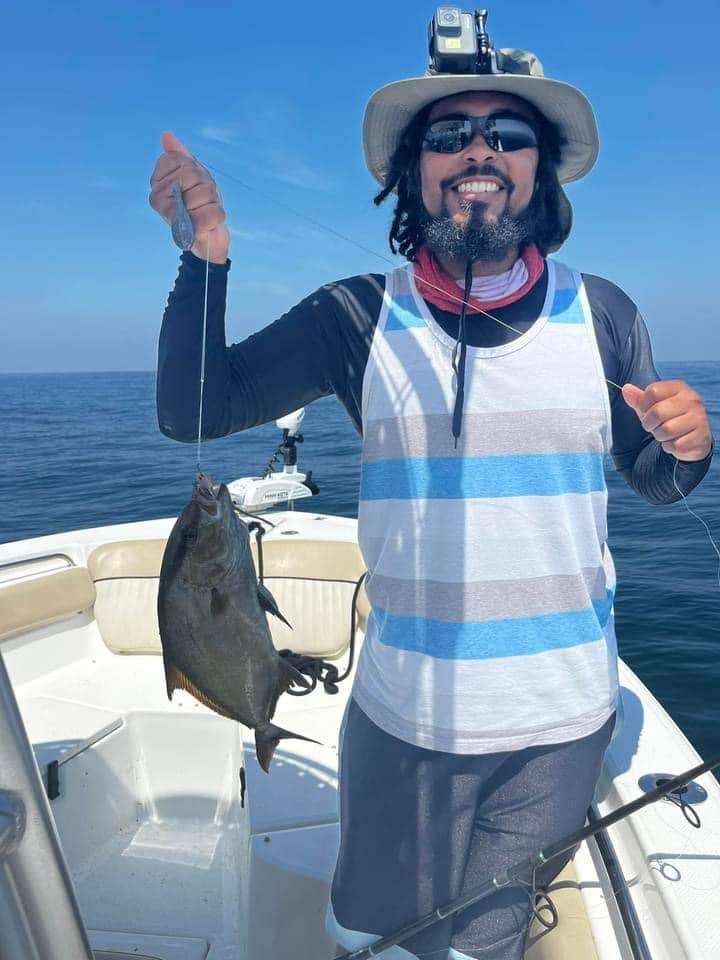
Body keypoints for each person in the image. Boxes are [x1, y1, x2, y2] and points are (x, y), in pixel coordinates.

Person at [149, 37, 713, 960]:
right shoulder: (354, 313)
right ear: (412, 174)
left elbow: (655, 480)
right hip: (403, 716)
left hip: (566, 718)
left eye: (507, 135)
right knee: (374, 934)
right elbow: (194, 411)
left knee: (489, 938)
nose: (479, 152)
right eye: (450, 135)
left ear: (542, 170)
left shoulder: (604, 311)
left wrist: (689, 444)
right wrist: (204, 259)